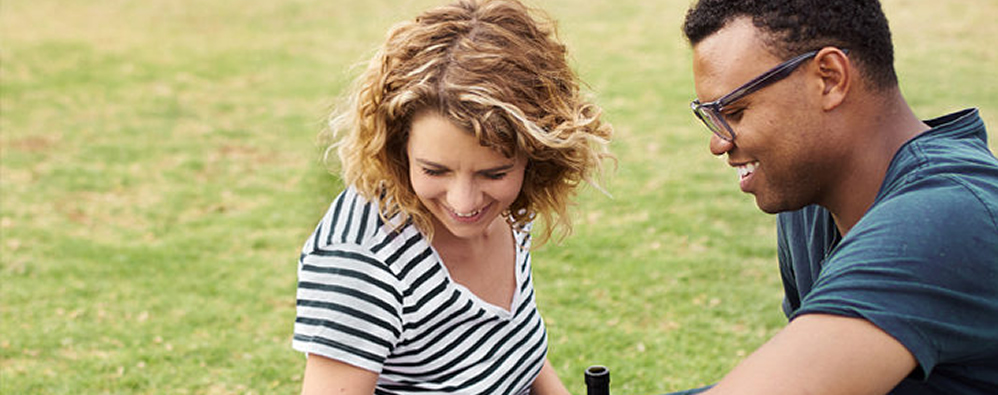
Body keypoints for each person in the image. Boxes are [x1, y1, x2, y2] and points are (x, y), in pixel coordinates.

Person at [675, 0, 998, 394]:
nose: (719, 142)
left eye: (736, 111)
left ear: (829, 78)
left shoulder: (946, 217)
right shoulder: (809, 203)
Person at [291, 0, 613, 393]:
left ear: (537, 155)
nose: (464, 203)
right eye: (434, 170)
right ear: (398, 147)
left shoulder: (511, 208)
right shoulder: (360, 260)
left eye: (493, 173)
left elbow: (512, 349)